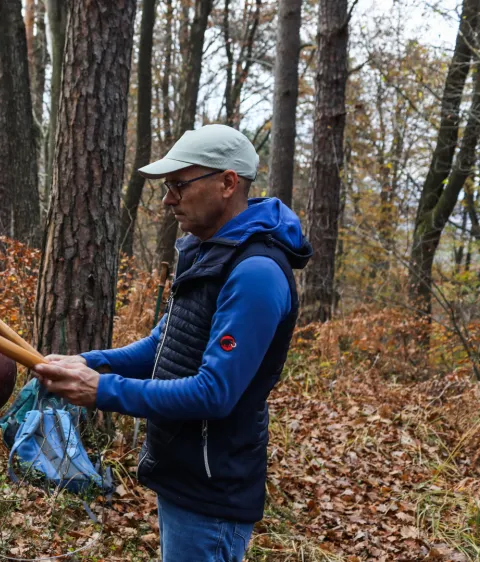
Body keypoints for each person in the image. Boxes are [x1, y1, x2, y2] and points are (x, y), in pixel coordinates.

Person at [32, 124, 312, 562]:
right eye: (167, 187)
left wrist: (100, 390)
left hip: (212, 489)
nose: (167, 199)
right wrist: (86, 362)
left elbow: (214, 393)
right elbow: (161, 347)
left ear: (227, 183)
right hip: (184, 475)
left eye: (179, 185)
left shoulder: (255, 272)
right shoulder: (207, 252)